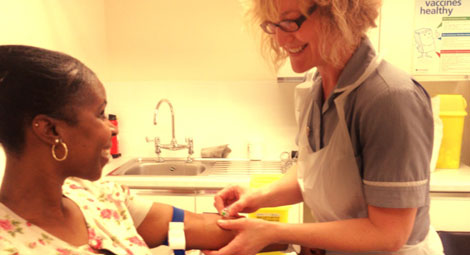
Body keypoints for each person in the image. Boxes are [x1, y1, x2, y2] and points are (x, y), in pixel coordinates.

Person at [209, 0, 444, 254]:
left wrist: (271, 232)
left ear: (339, 14)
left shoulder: (390, 99)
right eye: (273, 25)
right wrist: (259, 196)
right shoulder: (317, 85)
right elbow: (319, 172)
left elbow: (388, 234)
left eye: (289, 22)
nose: (279, 38)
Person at [0, 45, 285, 255]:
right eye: (100, 114)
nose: (111, 128)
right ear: (51, 130)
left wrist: (300, 238)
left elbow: (198, 226)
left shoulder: (98, 198)